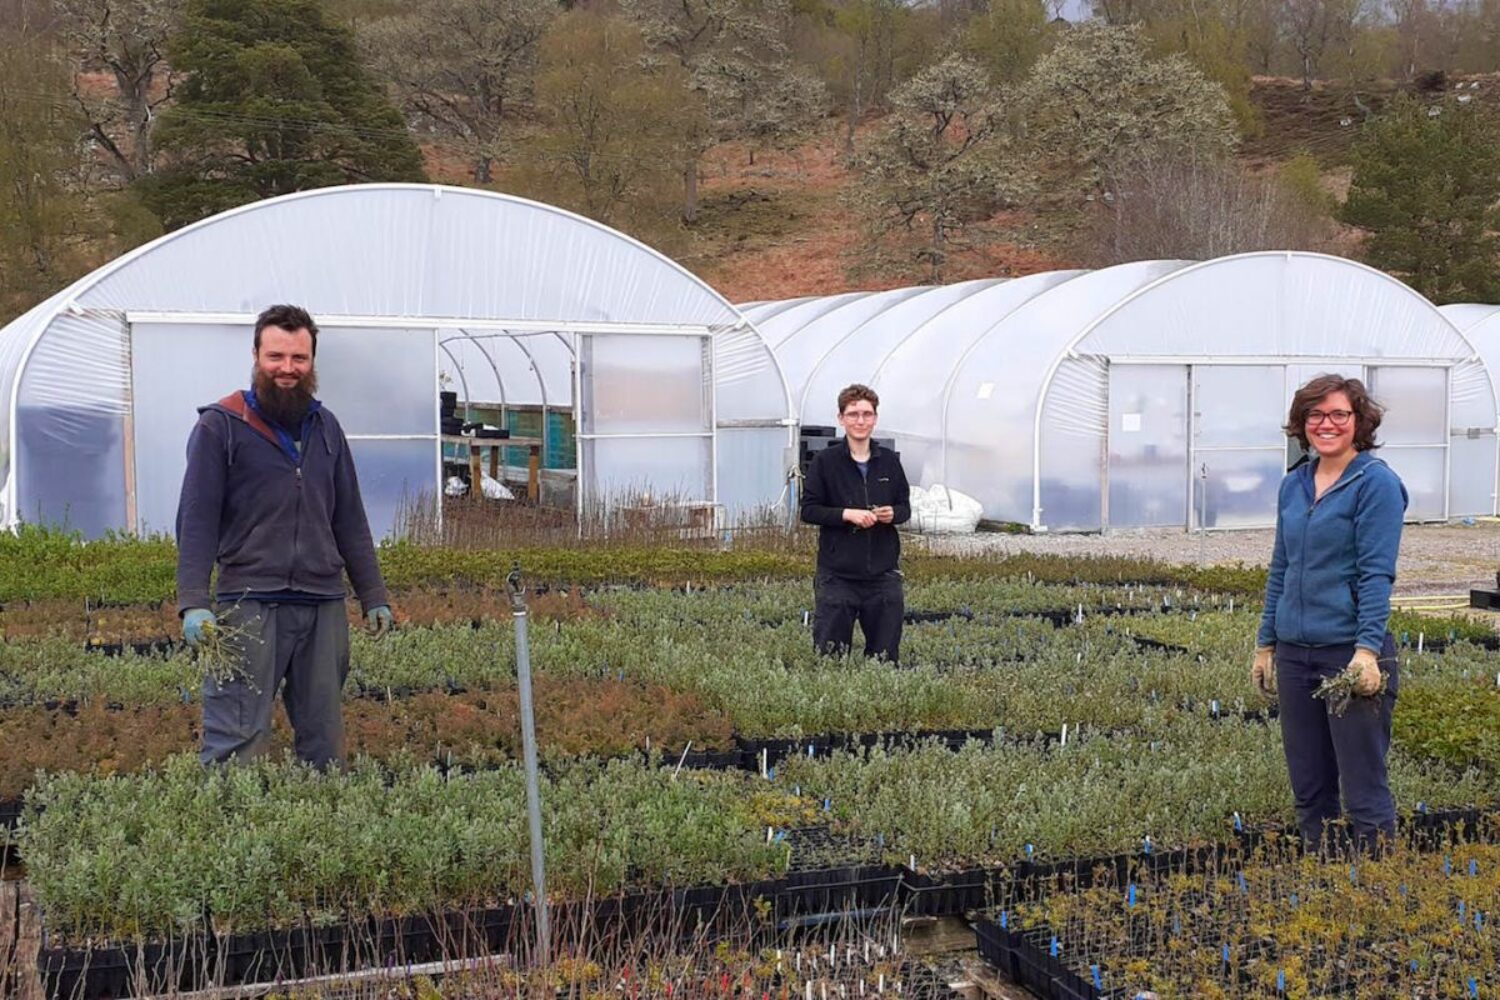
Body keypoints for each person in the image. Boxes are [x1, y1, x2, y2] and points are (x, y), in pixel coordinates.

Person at [176, 304, 394, 769]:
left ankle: (318, 832)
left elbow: (350, 518)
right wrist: (193, 600)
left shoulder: (326, 427)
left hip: (322, 601)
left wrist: (373, 593)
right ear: (255, 355)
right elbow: (196, 520)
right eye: (276, 357)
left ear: (313, 361)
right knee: (238, 733)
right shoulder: (221, 426)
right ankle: (230, 829)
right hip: (249, 602)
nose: (287, 369)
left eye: (299, 358)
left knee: (324, 738)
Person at [1253, 374, 1407, 852]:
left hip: (1348, 653)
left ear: (1358, 422)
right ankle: (1323, 876)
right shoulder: (1294, 484)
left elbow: (1376, 574)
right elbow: (1282, 566)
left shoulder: (1376, 484)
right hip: (1297, 654)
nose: (1327, 424)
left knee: (1363, 783)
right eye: (1315, 415)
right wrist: (1266, 643)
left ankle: (1377, 885)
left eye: (1339, 414)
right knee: (1310, 783)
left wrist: (1365, 652)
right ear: (1302, 424)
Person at [800, 384, 911, 664]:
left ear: (875, 418)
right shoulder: (826, 462)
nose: (860, 421)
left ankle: (881, 705)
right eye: (853, 414)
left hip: (883, 575)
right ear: (841, 419)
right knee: (831, 657)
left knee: (884, 658)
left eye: (866, 414)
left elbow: (904, 508)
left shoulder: (889, 462)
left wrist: (891, 514)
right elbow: (809, 510)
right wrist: (846, 514)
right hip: (838, 576)